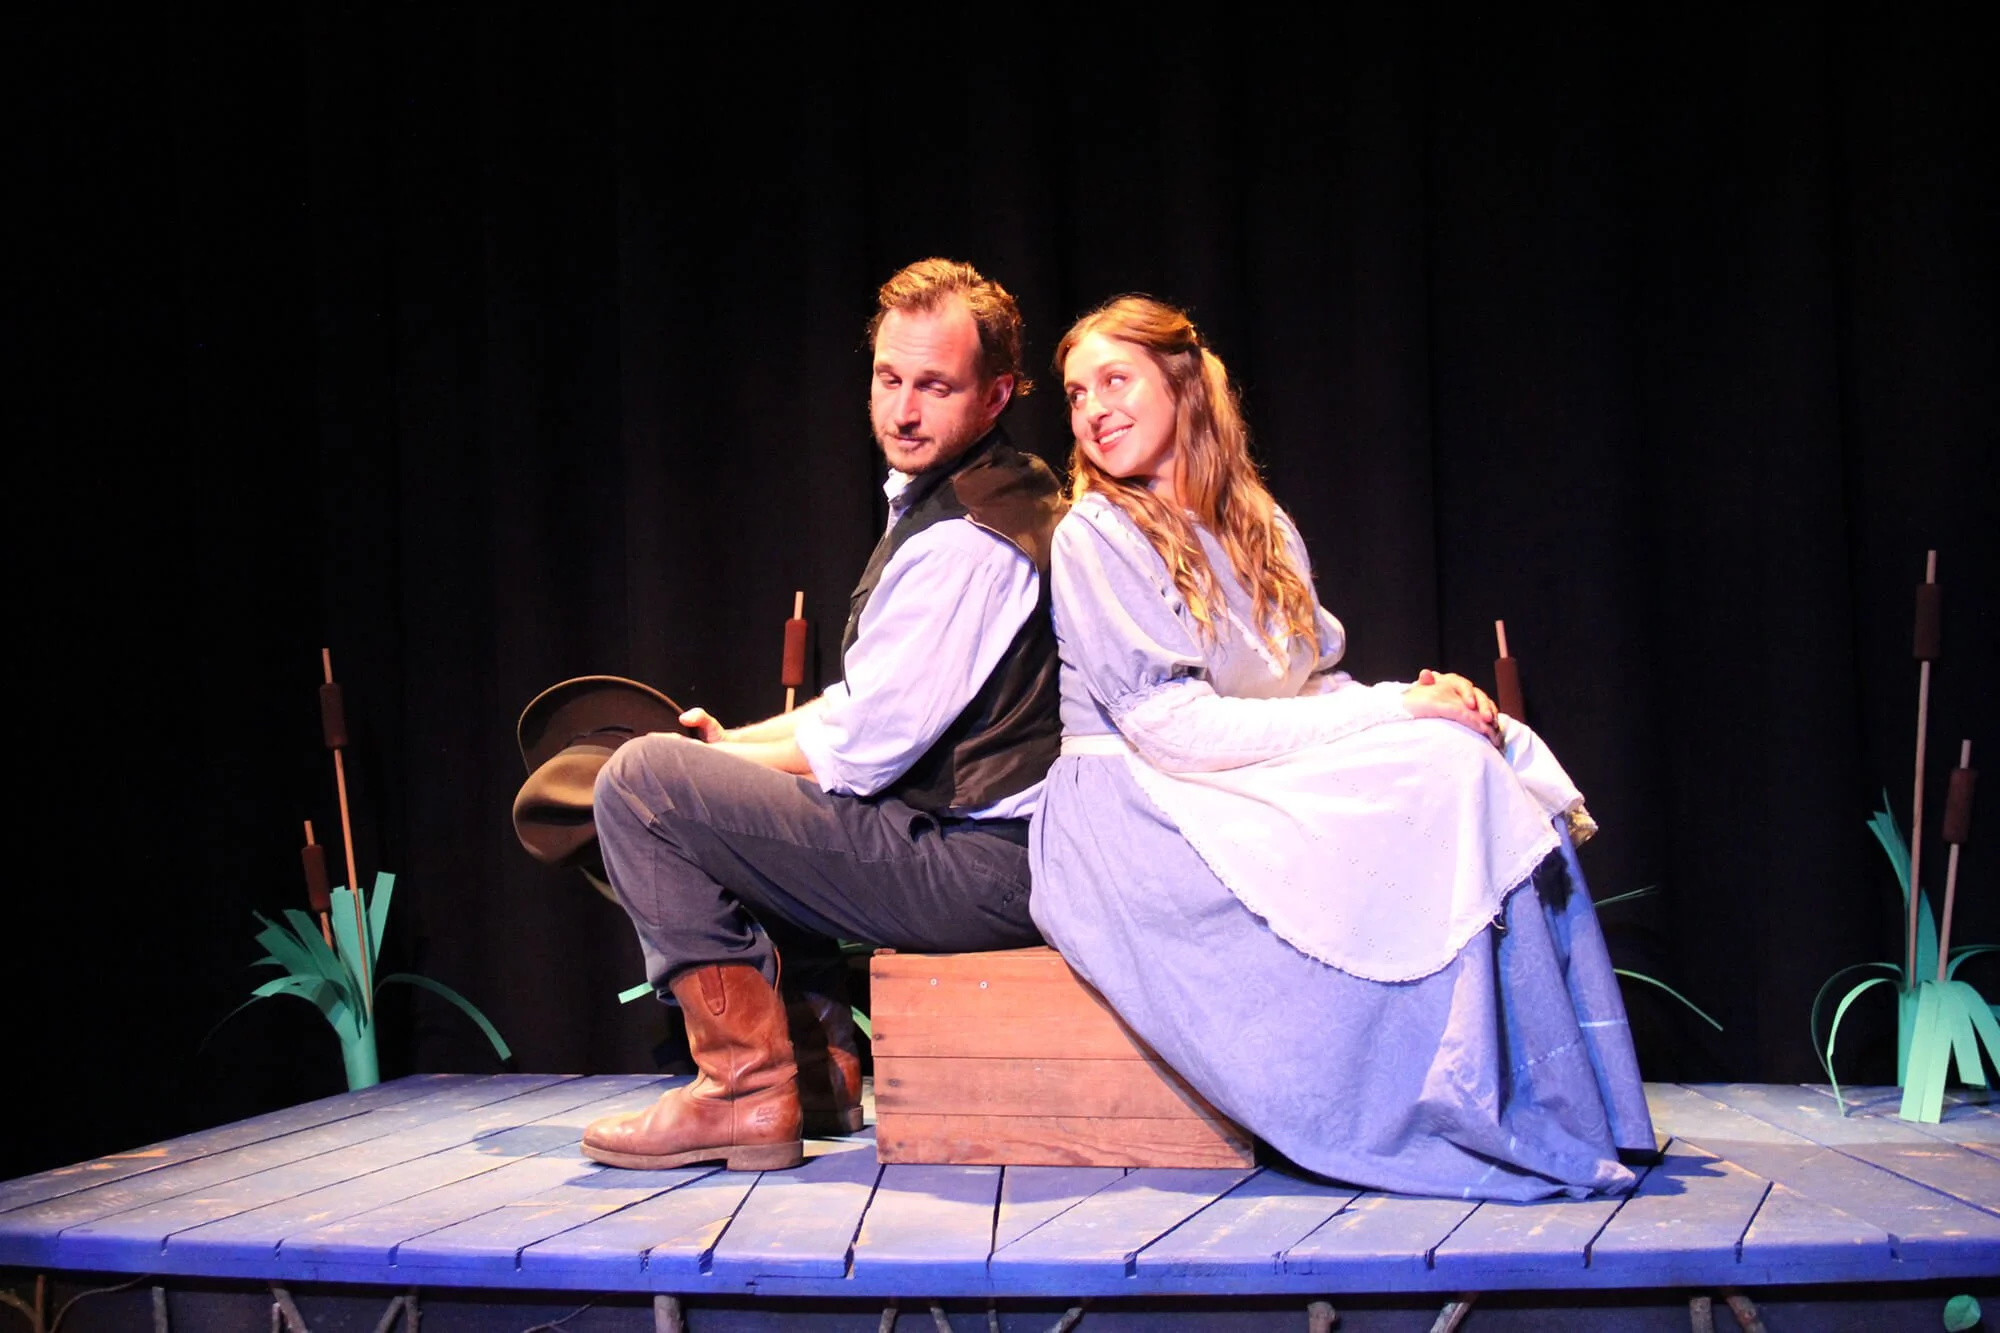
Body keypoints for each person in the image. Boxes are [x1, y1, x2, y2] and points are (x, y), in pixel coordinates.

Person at [1031, 295, 1654, 1200]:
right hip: (1133, 802)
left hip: (1232, 770)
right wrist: (1396, 712)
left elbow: (1306, 687)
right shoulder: (1098, 532)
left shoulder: (1258, 525)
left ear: (1181, 384)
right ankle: (1447, 1097)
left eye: (1114, 380)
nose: (1093, 409)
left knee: (1478, 753)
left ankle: (1562, 1103)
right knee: (1432, 767)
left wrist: (1427, 703)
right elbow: (1169, 727)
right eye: (1077, 394)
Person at [582, 259, 1065, 1172]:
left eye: (935, 385)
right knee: (689, 782)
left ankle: (744, 1091)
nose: (904, 410)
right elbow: (873, 700)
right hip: (980, 852)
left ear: (998, 392)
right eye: (889, 379)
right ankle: (819, 1076)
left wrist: (694, 779)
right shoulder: (989, 491)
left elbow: (864, 751)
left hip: (982, 867)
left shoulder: (968, 537)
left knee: (642, 786)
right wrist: (735, 749)